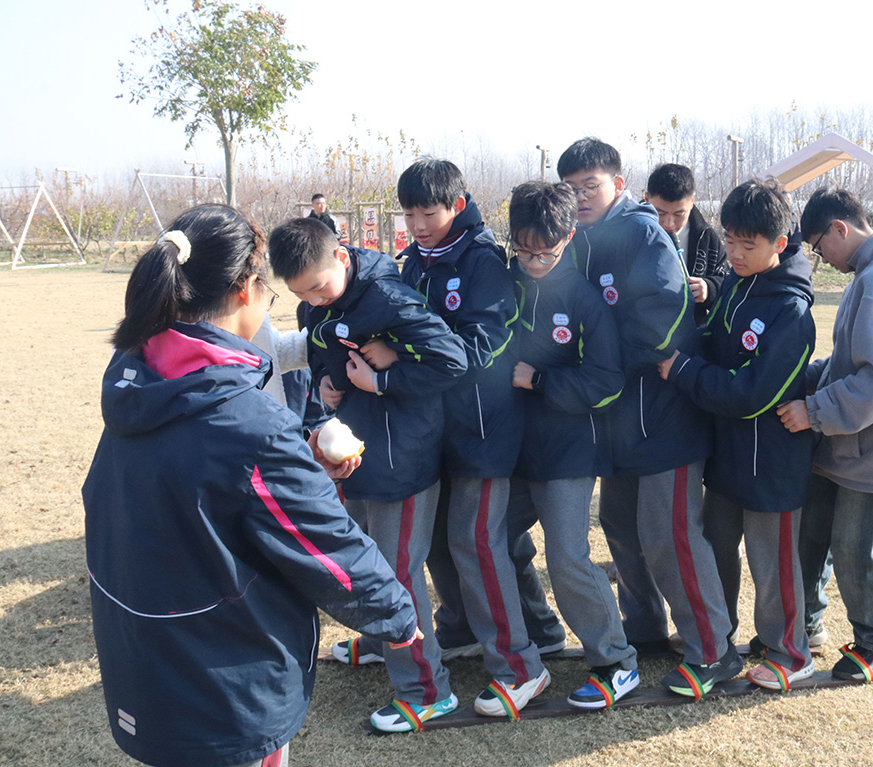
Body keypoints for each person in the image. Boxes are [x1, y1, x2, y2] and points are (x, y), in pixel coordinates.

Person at [82, 204, 419, 767]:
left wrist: (294, 462)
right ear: (245, 289)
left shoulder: (139, 381)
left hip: (142, 657)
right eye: (270, 289)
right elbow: (325, 544)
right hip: (225, 679)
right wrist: (396, 615)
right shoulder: (246, 423)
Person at [268, 217, 469, 732]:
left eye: (317, 286)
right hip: (354, 452)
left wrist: (385, 378)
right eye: (300, 293)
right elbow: (322, 350)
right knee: (367, 563)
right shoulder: (315, 301)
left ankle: (428, 691)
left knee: (397, 575)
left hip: (403, 458)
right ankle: (384, 642)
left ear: (339, 257)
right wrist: (327, 383)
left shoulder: (388, 297)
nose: (312, 298)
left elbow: (452, 360)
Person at [558, 137, 739, 698]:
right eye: (572, 188)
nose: (582, 196)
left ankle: (713, 649)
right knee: (620, 528)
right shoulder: (577, 238)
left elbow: (662, 319)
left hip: (663, 415)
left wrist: (597, 360)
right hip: (613, 419)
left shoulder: (643, 232)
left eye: (591, 185)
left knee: (670, 535)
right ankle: (645, 630)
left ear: (618, 183)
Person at [385, 157, 552, 717]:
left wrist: (403, 356)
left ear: (457, 205)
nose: (416, 223)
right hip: (431, 431)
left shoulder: (482, 262)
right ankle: (457, 628)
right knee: (434, 541)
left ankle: (523, 665)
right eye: (408, 212)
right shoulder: (412, 262)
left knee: (478, 542)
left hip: (483, 429)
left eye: (427, 211)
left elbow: (477, 349)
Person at [658, 179, 816, 690]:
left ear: (780, 244)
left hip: (772, 460)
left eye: (749, 245)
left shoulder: (790, 310)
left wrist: (681, 371)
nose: (736, 253)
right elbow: (712, 345)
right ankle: (718, 638)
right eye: (730, 241)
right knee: (717, 548)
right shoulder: (735, 287)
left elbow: (751, 392)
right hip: (726, 457)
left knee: (772, 563)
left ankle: (790, 651)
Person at [777, 186, 873, 682]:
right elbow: (848, 359)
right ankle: (805, 627)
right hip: (846, 443)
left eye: (821, 247)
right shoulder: (872, 269)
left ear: (840, 228)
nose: (821, 258)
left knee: (854, 547)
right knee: (812, 537)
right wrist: (802, 380)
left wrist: (814, 409)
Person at [507, 180, 640, 707]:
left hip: (567, 451)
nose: (535, 261)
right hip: (511, 449)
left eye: (547, 251)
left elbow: (606, 379)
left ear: (568, 236)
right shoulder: (504, 281)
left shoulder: (585, 299)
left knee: (567, 558)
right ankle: (540, 631)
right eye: (524, 250)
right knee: (488, 541)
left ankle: (616, 661)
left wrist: (539, 381)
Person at [645, 163, 727, 321]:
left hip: (690, 336)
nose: (668, 223)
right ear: (646, 198)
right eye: (660, 212)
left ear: (692, 201)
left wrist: (708, 288)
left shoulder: (706, 237)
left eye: (679, 214)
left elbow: (727, 282)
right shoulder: (632, 232)